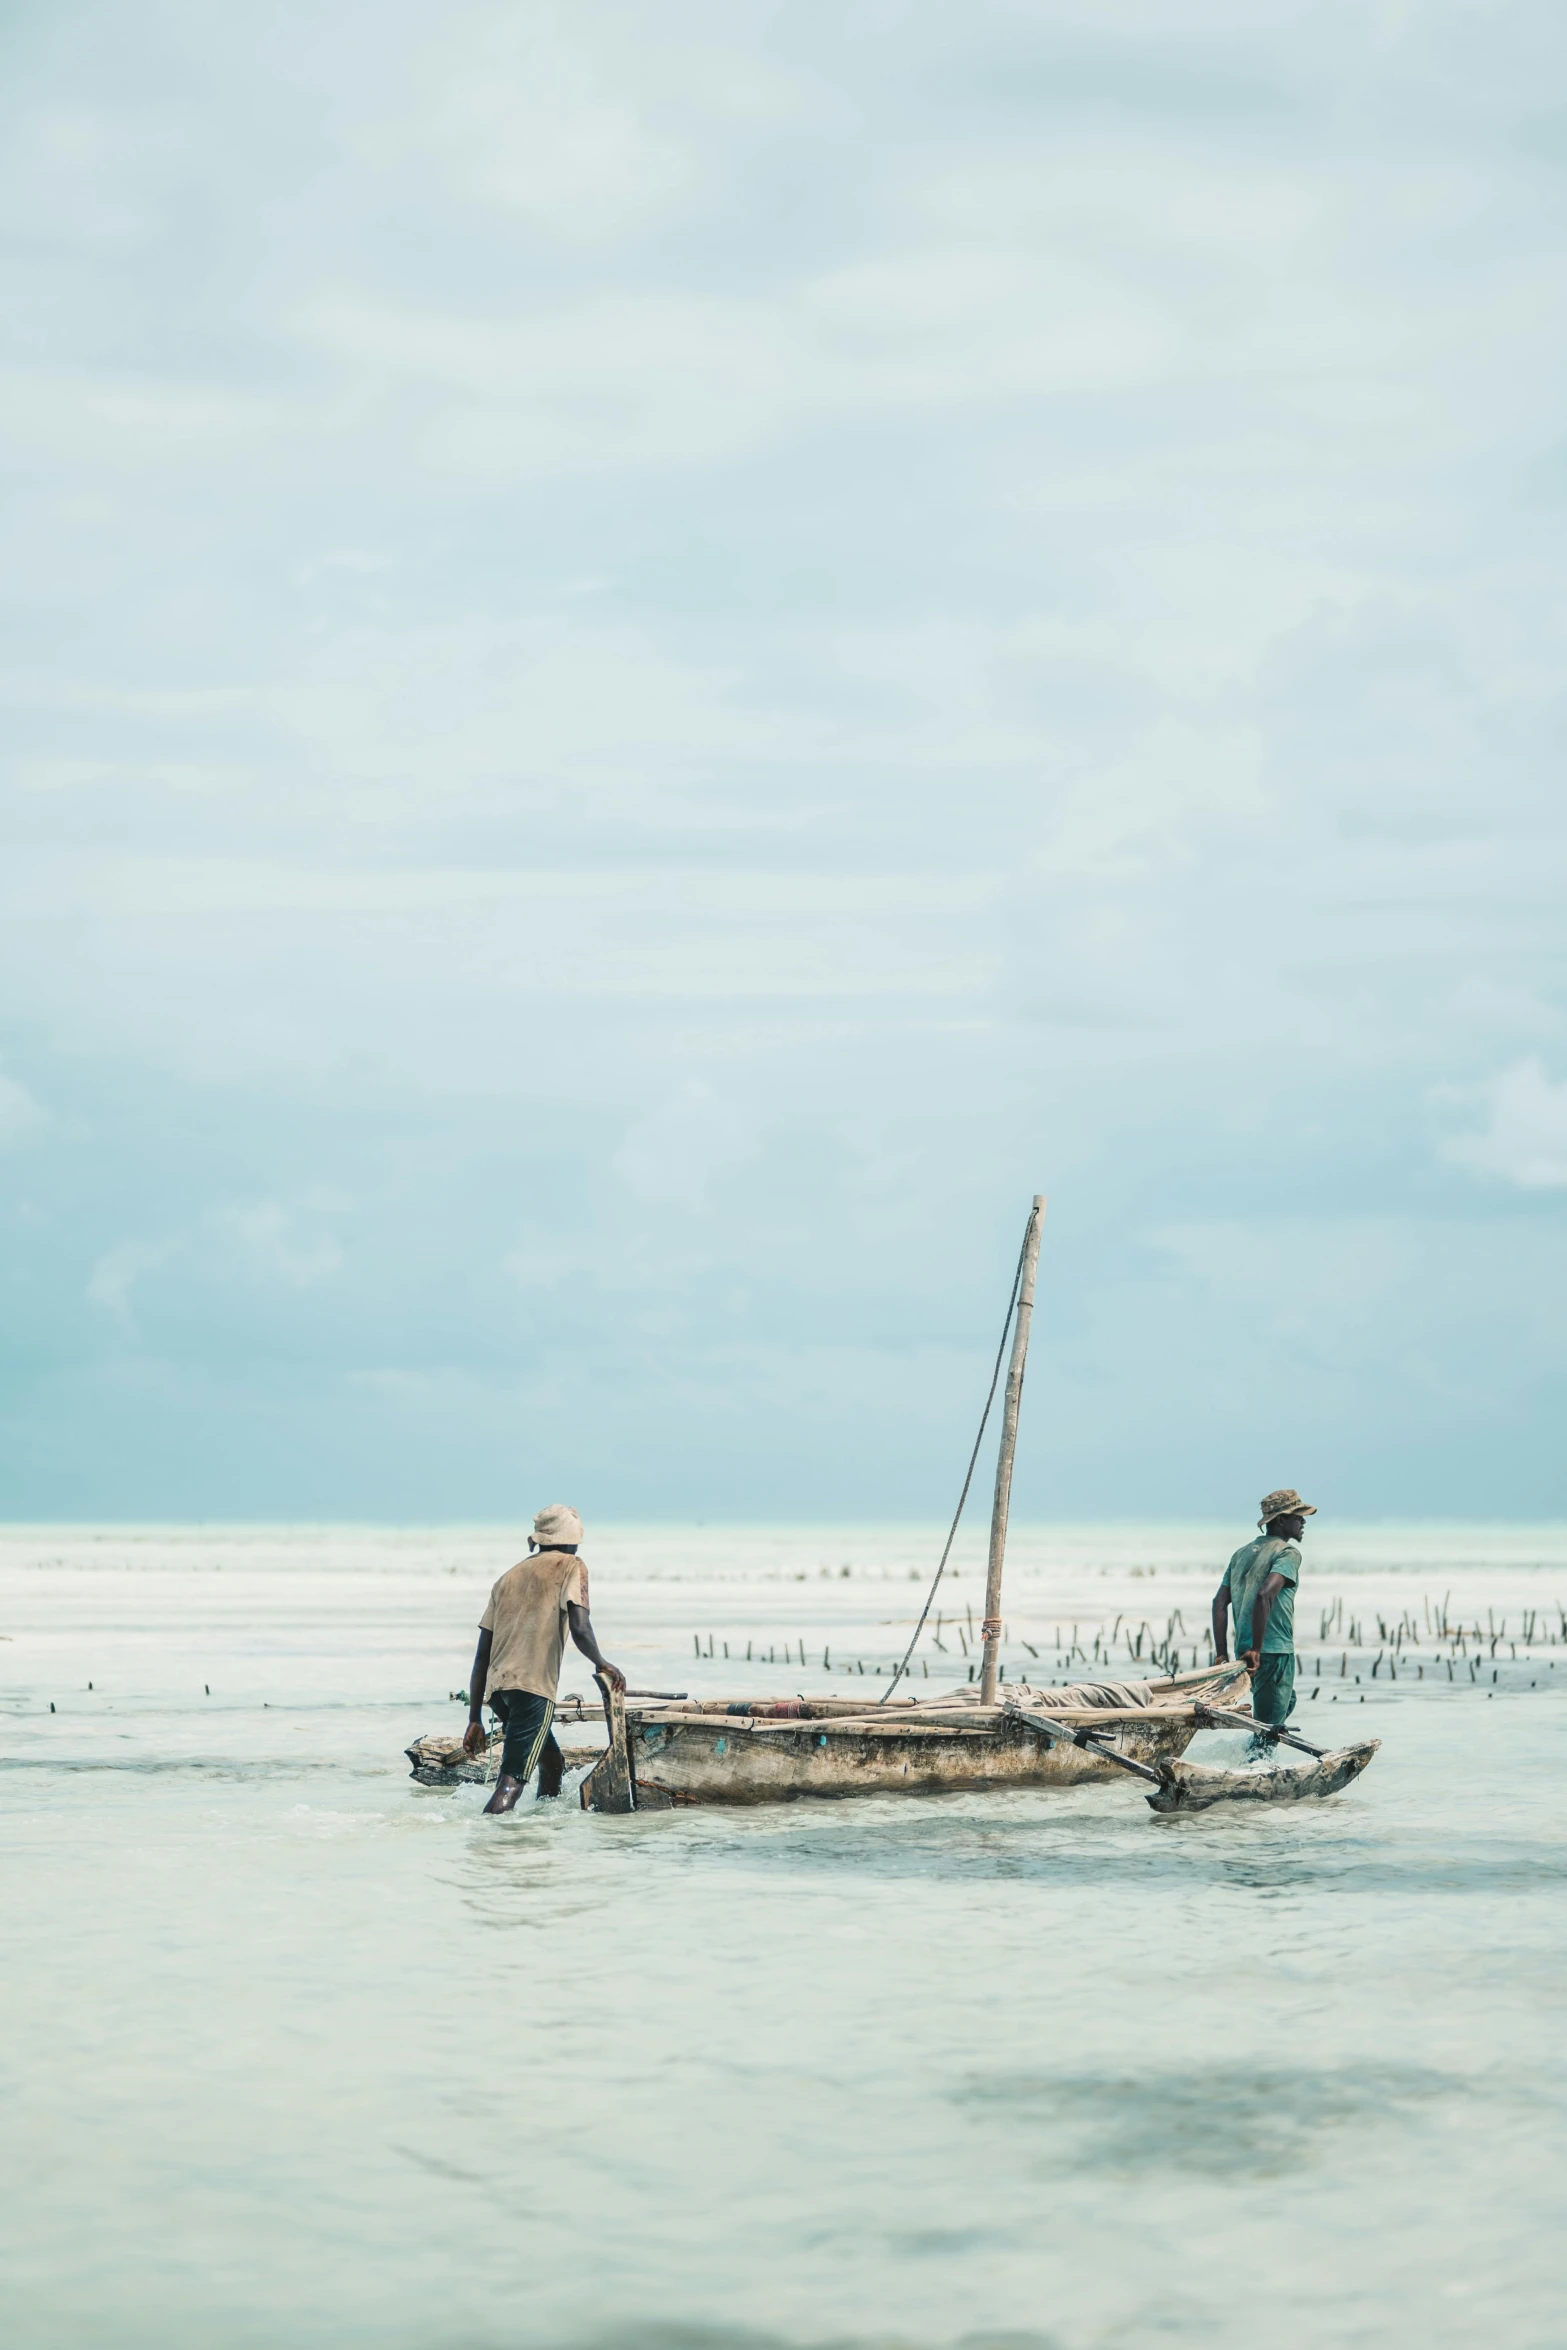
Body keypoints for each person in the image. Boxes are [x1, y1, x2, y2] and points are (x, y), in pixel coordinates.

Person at [461, 1504, 625, 1814]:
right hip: (533, 1690)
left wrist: (474, 1718)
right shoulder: (571, 1565)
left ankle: (543, 1825)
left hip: (499, 1691)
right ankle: (488, 1841)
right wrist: (601, 1662)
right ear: (571, 1539)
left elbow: (481, 1655)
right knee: (511, 1783)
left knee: (552, 1762)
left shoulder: (507, 1577)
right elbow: (580, 1626)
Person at [1212, 1488, 1316, 1737]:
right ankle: (1252, 1771)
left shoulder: (1241, 1554)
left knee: (1285, 1703)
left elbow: (1219, 1603)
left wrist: (1221, 1653)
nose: (1303, 1521)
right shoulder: (1287, 1553)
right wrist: (1257, 1649)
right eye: (1297, 1516)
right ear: (1281, 1520)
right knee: (1268, 1733)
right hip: (1272, 1651)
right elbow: (1264, 1595)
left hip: (1244, 1652)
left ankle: (1248, 1759)